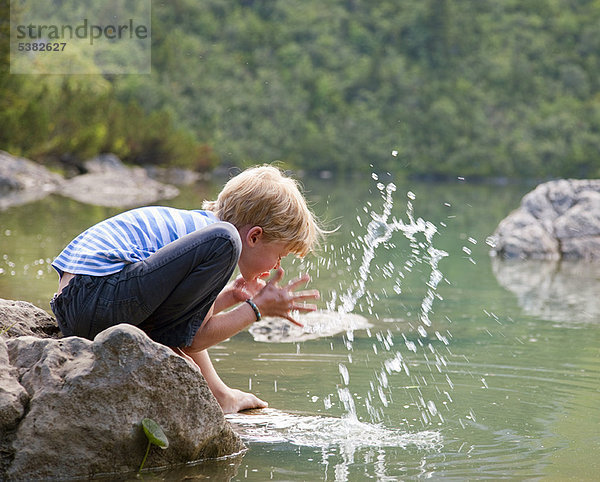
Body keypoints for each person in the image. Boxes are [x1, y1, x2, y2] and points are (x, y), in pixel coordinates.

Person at [50, 165, 324, 413]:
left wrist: (229, 297)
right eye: (281, 254)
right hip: (95, 295)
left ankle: (221, 396)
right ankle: (221, 396)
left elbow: (181, 322)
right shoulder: (222, 241)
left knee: (185, 359)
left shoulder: (194, 231)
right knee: (225, 240)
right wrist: (256, 309)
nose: (277, 264)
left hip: (81, 304)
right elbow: (194, 338)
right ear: (254, 236)